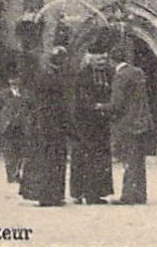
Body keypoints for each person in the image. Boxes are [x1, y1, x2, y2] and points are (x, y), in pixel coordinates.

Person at [19, 25, 72, 206]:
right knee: (47, 160)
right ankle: (46, 195)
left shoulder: (53, 76)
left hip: (53, 125)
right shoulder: (47, 77)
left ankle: (54, 195)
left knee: (55, 159)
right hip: (46, 125)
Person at [99, 38, 152, 205]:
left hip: (128, 124)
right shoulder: (138, 72)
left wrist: (101, 106)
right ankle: (140, 194)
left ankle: (128, 195)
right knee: (138, 161)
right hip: (142, 122)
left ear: (111, 60)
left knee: (129, 161)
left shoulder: (120, 76)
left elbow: (117, 105)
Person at [67, 51, 115, 204]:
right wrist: (95, 106)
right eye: (100, 59)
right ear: (90, 59)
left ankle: (96, 192)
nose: (103, 62)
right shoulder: (83, 75)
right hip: (85, 123)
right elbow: (82, 99)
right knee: (85, 157)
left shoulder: (106, 73)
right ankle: (84, 193)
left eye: (105, 59)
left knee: (97, 158)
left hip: (99, 123)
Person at [0, 75, 29, 184]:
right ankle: (11, 176)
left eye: (17, 79)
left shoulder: (25, 94)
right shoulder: (3, 94)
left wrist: (29, 122)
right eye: (12, 79)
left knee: (22, 152)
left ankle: (19, 173)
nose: (15, 81)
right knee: (9, 152)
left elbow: (32, 109)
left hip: (22, 127)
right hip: (8, 128)